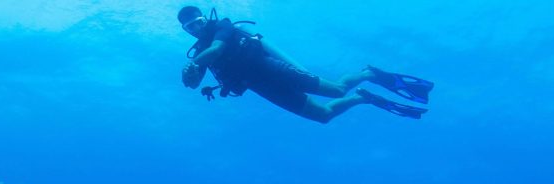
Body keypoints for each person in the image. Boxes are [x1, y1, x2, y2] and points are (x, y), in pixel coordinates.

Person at [176, 6, 432, 123]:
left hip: (270, 68)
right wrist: (189, 77)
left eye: (198, 21)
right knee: (323, 116)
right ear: (185, 30)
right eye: (190, 27)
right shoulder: (198, 50)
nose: (196, 28)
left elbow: (218, 48)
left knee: (337, 90)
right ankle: (363, 98)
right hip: (260, 87)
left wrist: (193, 64)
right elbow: (193, 82)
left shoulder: (223, 26)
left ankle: (368, 73)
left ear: (203, 18)